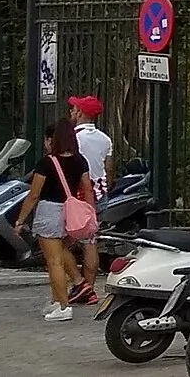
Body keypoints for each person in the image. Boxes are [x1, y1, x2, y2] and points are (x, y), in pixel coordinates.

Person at [12, 122, 94, 322]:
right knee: (60, 256)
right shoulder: (80, 161)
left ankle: (64, 306)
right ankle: (57, 301)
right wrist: (90, 213)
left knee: (54, 262)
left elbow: (33, 195)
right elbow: (88, 189)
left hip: (49, 210)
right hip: (69, 211)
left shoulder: (46, 163)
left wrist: (20, 220)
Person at [68, 95, 112, 301]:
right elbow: (109, 170)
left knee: (55, 242)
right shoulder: (105, 139)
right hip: (99, 195)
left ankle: (78, 282)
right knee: (90, 241)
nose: (71, 112)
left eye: (74, 109)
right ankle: (90, 289)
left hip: (75, 196)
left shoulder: (72, 138)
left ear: (80, 113)